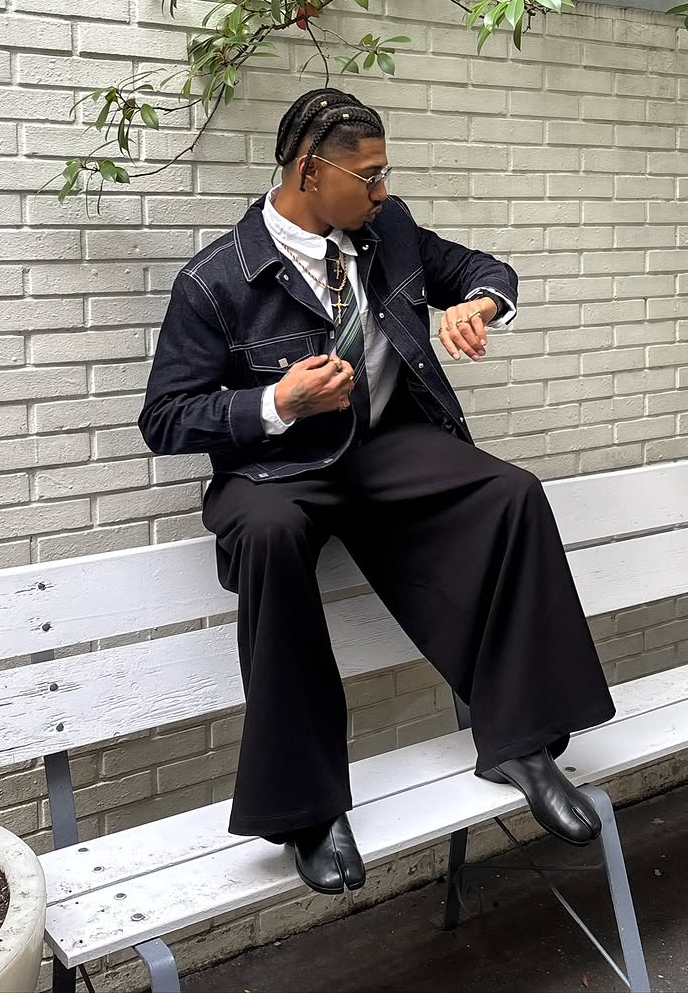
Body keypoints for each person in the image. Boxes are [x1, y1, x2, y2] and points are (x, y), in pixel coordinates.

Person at [138, 87, 616, 896]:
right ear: (309, 171)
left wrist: (481, 303)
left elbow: (482, 268)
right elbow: (165, 418)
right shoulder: (217, 280)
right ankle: (307, 811)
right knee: (268, 537)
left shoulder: (385, 231)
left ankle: (520, 745)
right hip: (281, 472)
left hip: (389, 448)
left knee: (512, 494)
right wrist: (276, 403)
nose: (383, 190)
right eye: (369, 175)